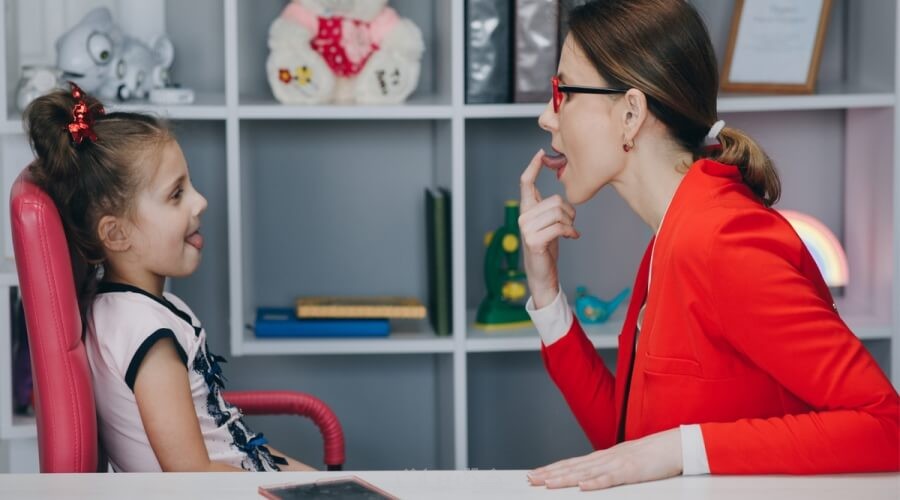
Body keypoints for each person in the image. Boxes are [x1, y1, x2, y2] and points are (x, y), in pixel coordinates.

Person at [518, 0, 899, 491]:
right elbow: (627, 445)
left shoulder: (723, 241)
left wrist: (681, 448)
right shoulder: (672, 235)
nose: (546, 118)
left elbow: (887, 426)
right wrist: (547, 294)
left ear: (631, 113)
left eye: (562, 92)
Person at [24, 84, 314, 473]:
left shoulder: (125, 311)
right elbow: (192, 476)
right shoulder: (146, 333)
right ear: (116, 234)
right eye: (176, 194)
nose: (200, 202)